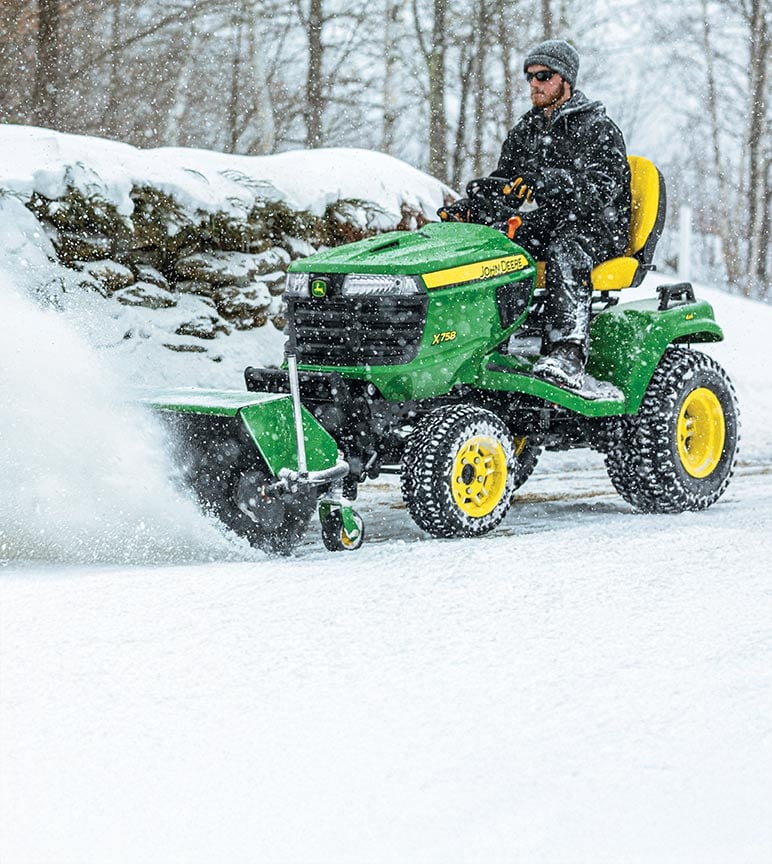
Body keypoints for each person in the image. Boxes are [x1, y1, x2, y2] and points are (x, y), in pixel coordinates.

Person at [439, 39, 631, 389]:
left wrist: (551, 182)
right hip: (550, 223)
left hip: (596, 228)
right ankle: (482, 341)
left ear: (566, 81)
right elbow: (506, 185)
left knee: (566, 249)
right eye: (529, 76)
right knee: (493, 243)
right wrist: (472, 208)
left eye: (544, 76)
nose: (534, 84)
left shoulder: (598, 129)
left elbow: (604, 190)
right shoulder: (526, 132)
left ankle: (568, 351)